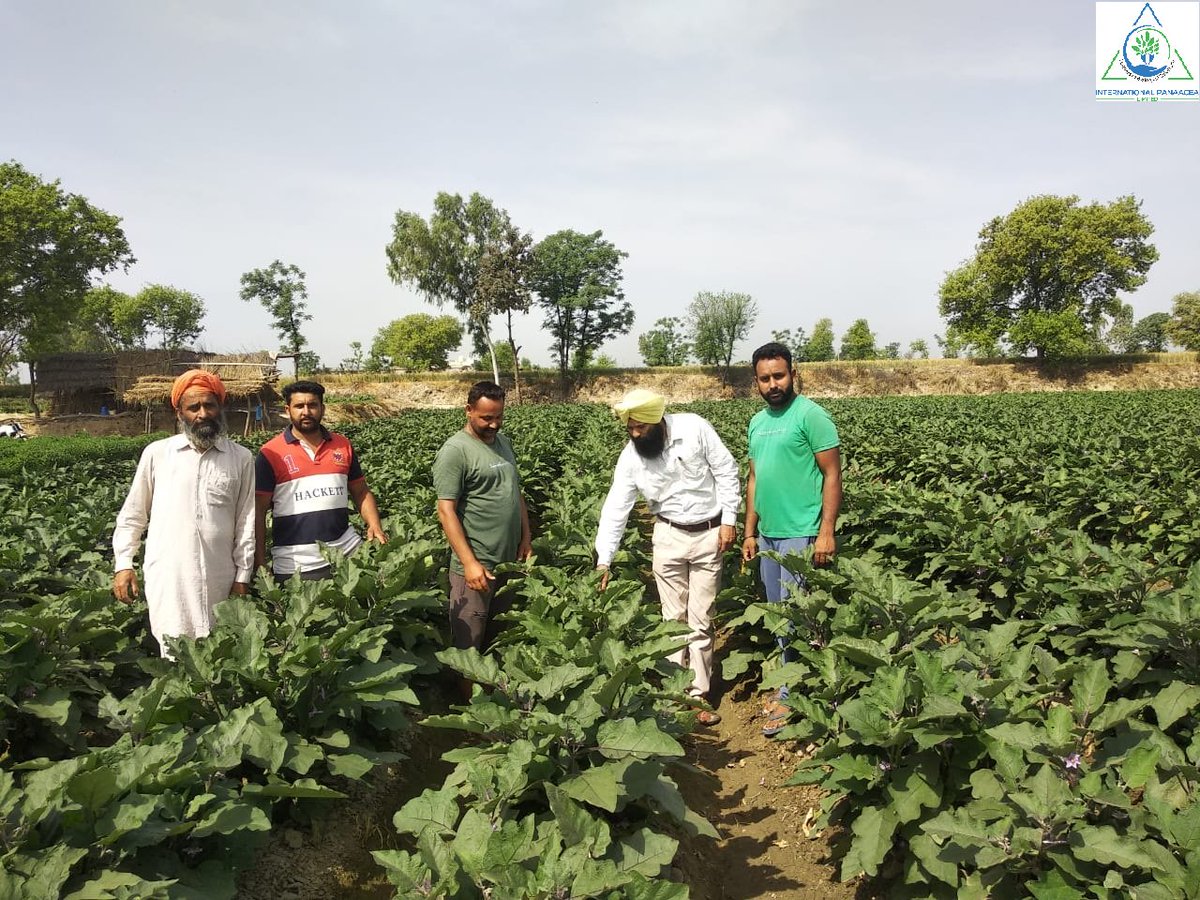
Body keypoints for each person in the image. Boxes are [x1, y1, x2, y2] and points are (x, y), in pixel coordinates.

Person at [595, 389, 740, 726]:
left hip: (709, 533)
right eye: (628, 428)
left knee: (701, 618)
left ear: (657, 420)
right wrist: (605, 559)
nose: (634, 434)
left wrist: (730, 520)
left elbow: (726, 470)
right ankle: (677, 691)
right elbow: (616, 507)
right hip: (668, 535)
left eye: (639, 428)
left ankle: (698, 693)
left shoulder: (695, 428)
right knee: (673, 619)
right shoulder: (631, 457)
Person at [112, 370, 255, 656]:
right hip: (170, 576)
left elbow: (246, 522)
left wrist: (242, 577)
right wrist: (124, 563)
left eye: (209, 405)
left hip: (221, 578)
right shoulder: (158, 454)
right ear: (180, 413)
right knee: (175, 652)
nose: (203, 413)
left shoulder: (241, 458)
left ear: (220, 407)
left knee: (222, 655)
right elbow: (133, 514)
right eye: (194, 407)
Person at [741, 342, 842, 736]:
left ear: (793, 373)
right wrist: (749, 531)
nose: (773, 384)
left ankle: (793, 695)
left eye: (779, 376)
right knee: (779, 615)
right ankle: (789, 685)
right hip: (768, 534)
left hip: (802, 533)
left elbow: (832, 475)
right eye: (765, 378)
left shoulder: (812, 416)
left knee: (799, 616)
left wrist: (826, 531)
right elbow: (755, 478)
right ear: (756, 382)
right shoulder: (757, 421)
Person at [432, 381, 532, 654]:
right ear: (468, 410)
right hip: (477, 567)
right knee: (469, 647)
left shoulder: (503, 442)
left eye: (499, 416)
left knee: (499, 636)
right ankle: (468, 697)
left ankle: (495, 692)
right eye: (487, 418)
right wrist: (469, 564)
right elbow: (446, 511)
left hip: (507, 562)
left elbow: (515, 491)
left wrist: (526, 536)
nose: (494, 424)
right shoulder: (455, 451)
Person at [255, 380, 387, 581]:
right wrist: (260, 561)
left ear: (322, 408)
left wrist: (374, 524)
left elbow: (360, 491)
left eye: (312, 405)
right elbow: (258, 510)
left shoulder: (342, 445)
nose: (306, 412)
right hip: (296, 565)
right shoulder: (270, 453)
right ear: (287, 410)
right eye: (299, 406)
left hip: (347, 555)